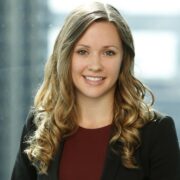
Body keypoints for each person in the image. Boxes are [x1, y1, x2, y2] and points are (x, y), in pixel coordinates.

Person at [11, 1, 180, 180]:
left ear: (124, 59)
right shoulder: (39, 126)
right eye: (83, 52)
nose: (96, 65)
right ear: (66, 56)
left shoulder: (156, 132)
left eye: (109, 53)